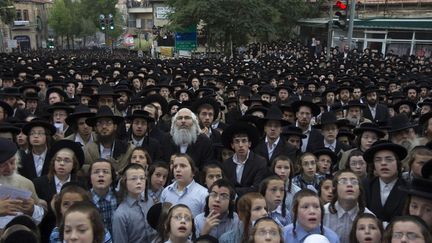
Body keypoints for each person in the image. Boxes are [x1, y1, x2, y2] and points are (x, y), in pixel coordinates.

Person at [33, 139, 85, 243]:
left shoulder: (81, 183)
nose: (61, 163)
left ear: (74, 164)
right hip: (47, 234)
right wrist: (51, 207)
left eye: (66, 160)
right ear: (53, 162)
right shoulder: (39, 183)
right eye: (58, 160)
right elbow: (36, 215)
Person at [0, 138, 46, 228]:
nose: (9, 168)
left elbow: (39, 216)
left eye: (12, 162)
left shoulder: (26, 183)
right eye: (3, 165)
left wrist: (32, 210)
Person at [363, 140, 408, 224]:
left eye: (389, 159)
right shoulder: (366, 186)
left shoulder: (408, 188)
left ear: (398, 163)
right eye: (378, 160)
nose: (383, 163)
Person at [323, 170, 373, 243]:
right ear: (335, 188)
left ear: (360, 190)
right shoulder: (323, 212)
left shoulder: (368, 216)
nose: (349, 185)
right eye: (343, 181)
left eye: (354, 182)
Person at [220, 122, 268, 196]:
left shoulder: (260, 162)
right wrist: (248, 188)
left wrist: (234, 190)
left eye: (244, 141)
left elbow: (257, 188)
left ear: (249, 144)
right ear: (232, 145)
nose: (241, 145)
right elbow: (226, 187)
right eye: (237, 141)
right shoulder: (226, 164)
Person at [83, 105, 134, 174]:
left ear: (115, 127)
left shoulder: (128, 149)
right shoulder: (87, 150)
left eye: (108, 123)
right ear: (95, 128)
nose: (104, 126)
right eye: (100, 123)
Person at [112, 163, 156, 242]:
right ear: (125, 182)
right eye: (133, 179)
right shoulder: (121, 214)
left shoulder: (150, 201)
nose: (139, 182)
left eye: (142, 178)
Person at [89, 159, 118, 234]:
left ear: (112, 178)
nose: (101, 175)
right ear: (90, 178)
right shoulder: (84, 199)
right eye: (96, 172)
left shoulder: (120, 197)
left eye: (105, 172)